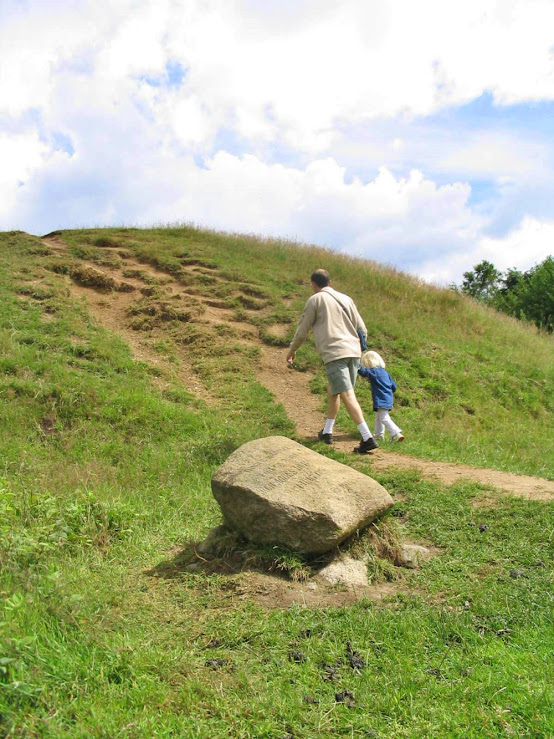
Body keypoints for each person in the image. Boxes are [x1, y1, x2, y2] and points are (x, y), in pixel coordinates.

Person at [286, 269, 378, 454]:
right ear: (330, 281)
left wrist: (292, 350)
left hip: (335, 353)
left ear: (313, 284)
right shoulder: (347, 299)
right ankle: (327, 431)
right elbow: (363, 329)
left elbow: (302, 330)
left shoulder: (315, 300)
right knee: (333, 389)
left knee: (346, 394)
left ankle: (367, 437)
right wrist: (357, 349)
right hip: (353, 352)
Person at [358, 350, 404, 442]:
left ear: (368, 362)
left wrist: (356, 364)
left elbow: (363, 372)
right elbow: (394, 387)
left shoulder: (374, 371)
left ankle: (396, 433)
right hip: (388, 398)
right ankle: (379, 435)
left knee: (383, 417)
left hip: (380, 398)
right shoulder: (385, 373)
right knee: (379, 416)